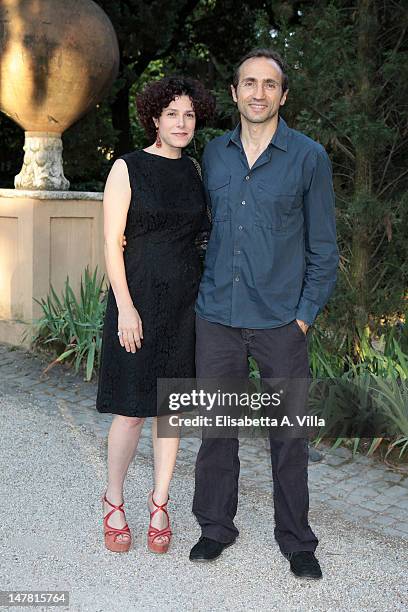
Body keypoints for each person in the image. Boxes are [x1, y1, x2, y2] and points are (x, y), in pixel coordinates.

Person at [189, 48, 339, 580]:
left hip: (281, 321)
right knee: (215, 429)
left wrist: (303, 315)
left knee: (289, 434)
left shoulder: (308, 157)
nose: (258, 92)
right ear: (234, 93)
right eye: (248, 82)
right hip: (217, 317)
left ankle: (297, 540)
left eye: (269, 84)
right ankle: (214, 528)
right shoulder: (213, 154)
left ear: (283, 95)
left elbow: (324, 247)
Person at [96, 76, 214, 554]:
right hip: (137, 301)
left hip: (184, 307)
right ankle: (114, 501)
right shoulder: (127, 167)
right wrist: (125, 307)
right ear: (154, 119)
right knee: (130, 411)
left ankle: (160, 504)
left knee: (170, 412)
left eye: (188, 115)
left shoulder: (194, 172)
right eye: (172, 115)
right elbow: (111, 242)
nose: (181, 123)